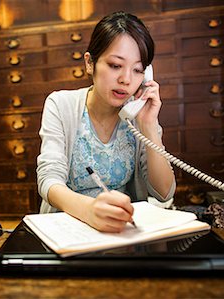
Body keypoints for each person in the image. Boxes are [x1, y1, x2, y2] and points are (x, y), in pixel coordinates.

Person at [36, 11, 176, 233]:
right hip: (66, 228)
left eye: (138, 70)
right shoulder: (60, 104)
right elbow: (48, 180)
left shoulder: (138, 115)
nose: (126, 79)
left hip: (121, 231)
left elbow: (164, 193)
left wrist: (149, 126)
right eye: (115, 65)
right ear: (90, 63)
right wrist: (90, 210)